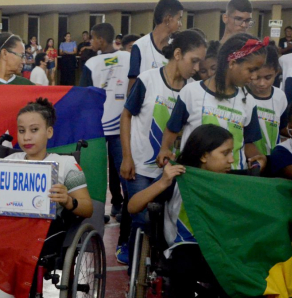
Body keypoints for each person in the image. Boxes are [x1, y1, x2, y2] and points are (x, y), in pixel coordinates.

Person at [0, 97, 94, 294]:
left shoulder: (66, 165)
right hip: (8, 228)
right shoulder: (9, 161)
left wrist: (68, 200)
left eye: (34, 130)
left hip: (45, 232)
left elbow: (88, 208)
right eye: (21, 131)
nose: (26, 137)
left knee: (18, 251)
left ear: (49, 132)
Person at [120, 29, 206, 266]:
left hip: (170, 171)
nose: (197, 68)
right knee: (141, 219)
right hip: (139, 166)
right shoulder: (148, 80)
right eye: (194, 60)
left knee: (166, 222)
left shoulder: (193, 91)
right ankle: (135, 265)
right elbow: (126, 116)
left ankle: (158, 263)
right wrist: (126, 157)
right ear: (177, 54)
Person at [127, 124, 234, 297]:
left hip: (221, 246)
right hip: (186, 245)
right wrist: (163, 183)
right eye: (225, 153)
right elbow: (133, 206)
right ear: (205, 156)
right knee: (185, 267)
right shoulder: (179, 177)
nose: (232, 159)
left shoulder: (232, 182)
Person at [158, 33, 268, 173]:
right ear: (233, 63)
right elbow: (172, 129)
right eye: (251, 70)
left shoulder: (248, 100)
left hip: (232, 178)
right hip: (195, 175)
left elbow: (248, 142)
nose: (254, 77)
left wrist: (257, 157)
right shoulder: (191, 92)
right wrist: (165, 149)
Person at [80, 23, 134, 263]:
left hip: (97, 128)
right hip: (124, 127)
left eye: (92, 39)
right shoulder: (129, 57)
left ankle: (97, 213)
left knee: (95, 173)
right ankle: (124, 211)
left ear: (100, 40)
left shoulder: (91, 63)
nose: (91, 43)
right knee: (126, 173)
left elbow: (82, 96)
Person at [127, 0, 184, 93]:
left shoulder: (176, 49)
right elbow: (131, 89)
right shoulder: (140, 46)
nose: (180, 24)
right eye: (179, 19)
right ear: (168, 18)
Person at [245, 45, 288, 156]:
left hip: (273, 158)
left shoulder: (280, 96)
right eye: (257, 78)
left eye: (268, 77)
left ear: (276, 72)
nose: (262, 83)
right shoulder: (242, 95)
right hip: (249, 158)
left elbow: (282, 127)